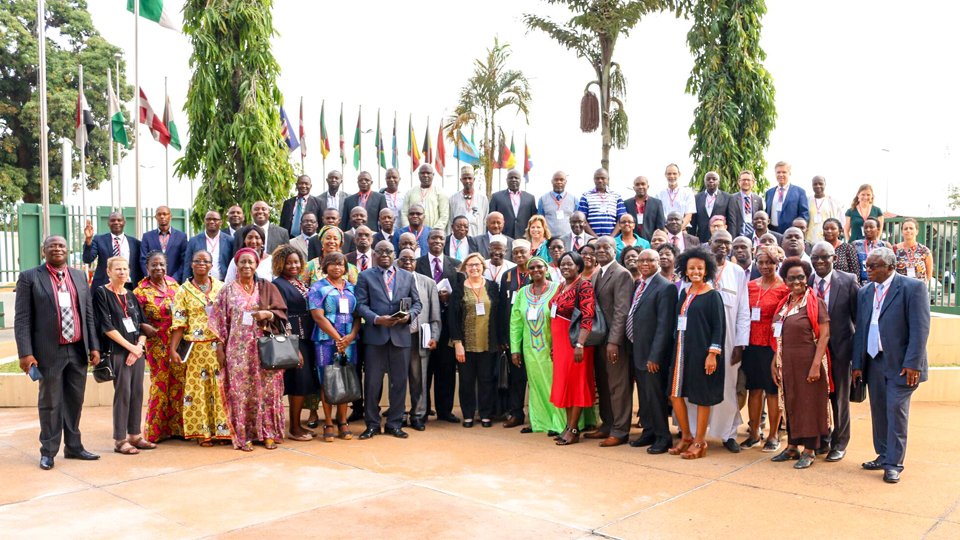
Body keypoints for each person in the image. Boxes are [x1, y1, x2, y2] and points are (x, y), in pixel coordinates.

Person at [15, 236, 101, 469]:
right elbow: (22, 319)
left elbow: (88, 314)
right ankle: (48, 451)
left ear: (68, 250)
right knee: (50, 402)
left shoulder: (80, 276)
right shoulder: (29, 277)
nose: (57, 249)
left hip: (77, 349)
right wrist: (25, 353)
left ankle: (74, 447)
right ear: (44, 251)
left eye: (61, 245)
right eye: (52, 246)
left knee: (75, 400)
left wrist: (93, 345)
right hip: (48, 351)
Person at [852, 247, 930, 483]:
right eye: (867, 266)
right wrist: (857, 364)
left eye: (873, 266)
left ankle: (894, 463)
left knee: (896, 410)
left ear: (890, 267)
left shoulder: (912, 288)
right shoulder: (865, 292)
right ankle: (883, 454)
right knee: (879, 410)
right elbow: (861, 330)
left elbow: (920, 328)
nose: (868, 270)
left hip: (903, 365)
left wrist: (913, 363)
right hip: (874, 361)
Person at [209, 248, 289, 451]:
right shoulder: (227, 290)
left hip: (264, 349)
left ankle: (268, 433)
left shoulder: (266, 287)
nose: (246, 266)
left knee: (267, 391)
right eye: (242, 262)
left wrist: (267, 314)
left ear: (256, 265)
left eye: (250, 262)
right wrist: (220, 348)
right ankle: (244, 436)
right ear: (237, 264)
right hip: (236, 351)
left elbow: (281, 313)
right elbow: (218, 321)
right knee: (240, 393)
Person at [686, 231, 750, 454]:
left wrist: (741, 344)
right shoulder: (697, 270)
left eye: (726, 242)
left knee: (727, 388)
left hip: (729, 340)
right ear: (709, 244)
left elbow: (743, 310)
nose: (722, 246)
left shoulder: (737, 272)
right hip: (699, 338)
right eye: (718, 242)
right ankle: (695, 433)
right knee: (695, 385)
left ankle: (728, 434)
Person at [355, 241, 422, 439]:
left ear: (395, 255)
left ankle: (394, 424)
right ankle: (372, 425)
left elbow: (417, 303)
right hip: (376, 338)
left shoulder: (407, 276)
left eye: (388, 251)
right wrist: (376, 319)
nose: (384, 254)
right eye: (380, 251)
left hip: (400, 337)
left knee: (399, 383)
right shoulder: (365, 276)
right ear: (374, 255)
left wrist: (409, 316)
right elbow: (360, 305)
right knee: (373, 384)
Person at [769, 257, 831, 469]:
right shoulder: (784, 305)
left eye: (801, 277)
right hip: (786, 362)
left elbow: (824, 336)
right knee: (791, 401)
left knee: (808, 404)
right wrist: (774, 362)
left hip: (808, 360)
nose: (796, 282)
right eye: (791, 278)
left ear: (807, 278)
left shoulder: (815, 302)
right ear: (785, 280)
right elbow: (778, 336)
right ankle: (792, 446)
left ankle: (810, 450)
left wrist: (815, 366)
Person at [668, 247, 725, 460]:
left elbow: (719, 327)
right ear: (685, 270)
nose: (695, 272)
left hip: (702, 353)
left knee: (702, 397)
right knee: (675, 394)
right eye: (691, 268)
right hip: (682, 351)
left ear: (706, 270)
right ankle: (687, 436)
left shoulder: (712, 295)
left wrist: (713, 354)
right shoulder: (684, 292)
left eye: (700, 268)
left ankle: (701, 442)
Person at [169, 250, 231, 446]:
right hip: (196, 350)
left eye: (206, 261)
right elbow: (179, 323)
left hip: (218, 347)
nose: (201, 264)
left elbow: (227, 319)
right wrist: (173, 349)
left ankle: (222, 431)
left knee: (220, 388)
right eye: (197, 261)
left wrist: (223, 344)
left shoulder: (221, 288)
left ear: (212, 265)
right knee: (199, 390)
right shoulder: (183, 291)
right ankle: (203, 433)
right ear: (191, 264)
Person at [94, 256, 154, 456]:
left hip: (136, 352)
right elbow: (106, 327)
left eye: (125, 268)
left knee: (137, 392)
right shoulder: (102, 293)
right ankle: (120, 439)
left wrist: (139, 347)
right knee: (123, 393)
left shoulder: (131, 295)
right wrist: (130, 347)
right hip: (117, 351)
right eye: (117, 269)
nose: (122, 272)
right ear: (108, 272)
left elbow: (142, 326)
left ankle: (135, 435)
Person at [809, 241, 860, 461]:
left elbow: (858, 319)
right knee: (817, 397)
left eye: (824, 257)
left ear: (834, 258)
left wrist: (856, 357)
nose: (819, 262)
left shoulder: (848, 281)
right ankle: (823, 438)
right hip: (814, 351)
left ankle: (840, 443)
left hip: (840, 351)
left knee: (839, 398)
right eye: (815, 258)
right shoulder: (807, 281)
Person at [626, 249, 678, 453]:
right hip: (637, 349)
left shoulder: (665, 287)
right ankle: (648, 431)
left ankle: (663, 437)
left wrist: (655, 356)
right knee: (645, 397)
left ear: (659, 262)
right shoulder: (640, 284)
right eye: (641, 260)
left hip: (652, 355)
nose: (644, 264)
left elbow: (665, 326)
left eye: (650, 260)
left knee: (655, 397)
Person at [584, 237, 633, 447]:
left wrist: (614, 341)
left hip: (614, 342)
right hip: (599, 340)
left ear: (615, 250)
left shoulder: (621, 274)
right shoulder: (597, 274)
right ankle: (607, 424)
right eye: (598, 248)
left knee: (618, 386)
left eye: (606, 247)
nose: (601, 250)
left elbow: (621, 311)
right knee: (603, 384)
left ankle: (620, 431)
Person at [740, 246, 789, 451]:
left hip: (772, 345)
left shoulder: (784, 288)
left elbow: (784, 319)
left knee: (772, 390)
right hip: (752, 344)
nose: (765, 266)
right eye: (760, 262)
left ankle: (773, 435)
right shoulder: (750, 285)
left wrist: (779, 350)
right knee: (754, 389)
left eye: (769, 262)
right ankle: (753, 433)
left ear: (777, 263)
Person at [509, 256, 565, 435]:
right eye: (531, 268)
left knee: (553, 383)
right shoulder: (523, 292)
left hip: (552, 348)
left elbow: (564, 318)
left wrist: (559, 345)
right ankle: (539, 421)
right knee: (535, 385)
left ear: (546, 269)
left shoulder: (558, 289)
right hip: (530, 349)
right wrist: (515, 349)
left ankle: (558, 423)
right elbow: (515, 322)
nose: (536, 270)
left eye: (539, 267)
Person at [308, 252, 360, 442]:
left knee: (344, 378)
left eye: (340, 264)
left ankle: (343, 421)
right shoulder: (318, 288)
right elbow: (318, 316)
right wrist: (339, 339)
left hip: (349, 341)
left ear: (345, 268)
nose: (337, 267)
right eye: (332, 264)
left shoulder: (352, 289)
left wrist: (351, 336)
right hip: (325, 341)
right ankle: (328, 422)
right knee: (328, 379)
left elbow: (357, 316)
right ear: (325, 266)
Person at [270, 246, 318, 442]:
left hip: (307, 337)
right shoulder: (278, 284)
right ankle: (294, 428)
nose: (293, 265)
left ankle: (297, 424)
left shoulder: (299, 282)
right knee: (298, 383)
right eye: (289, 262)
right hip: (293, 339)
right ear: (280, 263)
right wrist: (294, 347)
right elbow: (282, 316)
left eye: (296, 262)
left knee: (303, 382)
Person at [549, 251, 598, 446]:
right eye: (562, 264)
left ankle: (575, 428)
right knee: (566, 384)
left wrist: (580, 343)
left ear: (578, 266)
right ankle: (568, 427)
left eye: (570, 264)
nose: (565, 267)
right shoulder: (562, 285)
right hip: (561, 344)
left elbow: (588, 316)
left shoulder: (583, 285)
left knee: (576, 383)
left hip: (576, 344)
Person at [133, 251, 182, 443]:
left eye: (161, 264)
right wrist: (142, 325)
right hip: (157, 344)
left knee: (178, 384)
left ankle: (176, 428)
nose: (158, 268)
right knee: (160, 385)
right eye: (154, 265)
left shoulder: (174, 285)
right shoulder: (140, 291)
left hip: (177, 343)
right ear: (147, 267)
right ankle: (155, 431)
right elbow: (132, 317)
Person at [450, 253, 501, 428]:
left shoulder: (493, 287)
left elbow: (499, 315)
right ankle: (468, 415)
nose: (474, 268)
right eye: (470, 265)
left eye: (477, 264)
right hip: (466, 344)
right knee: (466, 382)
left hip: (488, 343)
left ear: (483, 266)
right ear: (465, 268)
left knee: (486, 380)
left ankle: (486, 414)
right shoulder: (458, 288)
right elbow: (452, 318)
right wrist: (457, 343)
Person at [416, 230, 461, 424]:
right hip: (424, 325)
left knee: (446, 369)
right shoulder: (418, 263)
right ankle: (423, 410)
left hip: (448, 325)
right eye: (433, 238)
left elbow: (459, 295)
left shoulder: (455, 264)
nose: (437, 241)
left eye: (441, 238)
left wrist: (448, 299)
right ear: (427, 241)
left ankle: (445, 410)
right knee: (424, 370)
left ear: (445, 241)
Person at [398, 248, 440, 431]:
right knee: (397, 378)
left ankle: (418, 415)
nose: (408, 262)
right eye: (404, 259)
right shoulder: (392, 281)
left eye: (411, 259)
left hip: (419, 337)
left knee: (418, 378)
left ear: (416, 262)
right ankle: (397, 414)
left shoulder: (428, 283)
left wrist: (435, 336)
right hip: (397, 336)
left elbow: (435, 313)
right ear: (397, 261)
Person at [498, 240, 533, 427]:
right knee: (516, 377)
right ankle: (516, 413)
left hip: (534, 333)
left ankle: (536, 415)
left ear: (530, 252)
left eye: (523, 252)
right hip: (513, 334)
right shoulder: (508, 276)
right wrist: (504, 337)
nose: (519, 256)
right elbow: (503, 307)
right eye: (516, 253)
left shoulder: (537, 271)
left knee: (535, 376)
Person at [83, 211, 142, 289]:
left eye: (119, 220)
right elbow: (87, 259)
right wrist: (88, 241)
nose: (116, 222)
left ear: (124, 222)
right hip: (105, 286)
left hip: (129, 286)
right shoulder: (99, 240)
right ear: (108, 223)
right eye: (113, 220)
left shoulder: (135, 243)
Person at [140, 206, 188, 282]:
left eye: (165, 214)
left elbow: (184, 260)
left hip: (175, 282)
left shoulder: (181, 237)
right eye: (159, 214)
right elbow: (143, 259)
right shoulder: (147, 237)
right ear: (156, 217)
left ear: (170, 216)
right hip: (153, 282)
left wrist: (174, 279)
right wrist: (150, 277)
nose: (162, 216)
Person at [183, 210, 233, 281]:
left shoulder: (230, 240)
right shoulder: (194, 241)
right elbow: (187, 265)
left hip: (223, 283)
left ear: (221, 222)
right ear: (204, 221)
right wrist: (185, 284)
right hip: (199, 284)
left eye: (215, 220)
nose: (211, 222)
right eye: (208, 219)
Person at [489, 169, 538, 239]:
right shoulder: (496, 197)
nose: (513, 179)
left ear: (520, 180)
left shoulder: (530, 198)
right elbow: (491, 218)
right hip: (502, 237)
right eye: (511, 178)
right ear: (506, 180)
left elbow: (533, 219)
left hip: (524, 237)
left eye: (516, 178)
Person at [578, 168, 626, 237]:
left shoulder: (616, 196)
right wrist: (595, 237)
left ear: (608, 179)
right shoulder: (586, 196)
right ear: (594, 179)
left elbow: (621, 219)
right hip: (591, 239)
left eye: (603, 178)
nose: (600, 181)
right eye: (597, 178)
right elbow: (582, 219)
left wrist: (611, 237)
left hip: (613, 239)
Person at [764, 161, 809, 233]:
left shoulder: (799, 192)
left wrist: (799, 231)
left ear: (789, 173)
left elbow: (804, 214)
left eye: (784, 172)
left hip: (791, 233)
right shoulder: (769, 193)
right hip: (772, 232)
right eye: (778, 172)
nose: (781, 175)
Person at [401, 164, 449, 230]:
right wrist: (408, 229)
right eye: (422, 173)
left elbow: (444, 215)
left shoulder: (440, 193)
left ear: (433, 175)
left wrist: (435, 231)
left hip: (433, 234)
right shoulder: (410, 192)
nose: (425, 175)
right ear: (418, 174)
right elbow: (404, 213)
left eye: (428, 173)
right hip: (412, 233)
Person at [692, 171, 736, 242]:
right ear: (704, 181)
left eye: (714, 179)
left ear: (718, 182)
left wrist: (731, 239)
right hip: (702, 238)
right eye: (708, 179)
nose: (711, 181)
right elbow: (693, 222)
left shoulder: (728, 198)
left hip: (721, 238)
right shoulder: (696, 198)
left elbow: (731, 221)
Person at [448, 164, 489, 237]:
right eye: (465, 178)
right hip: (459, 239)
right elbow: (450, 221)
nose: (467, 181)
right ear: (461, 180)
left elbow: (485, 221)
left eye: (470, 178)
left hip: (477, 238)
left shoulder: (483, 198)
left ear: (474, 179)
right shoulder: (453, 199)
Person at [538, 170, 578, 239]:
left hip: (568, 239)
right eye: (556, 180)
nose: (559, 182)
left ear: (565, 182)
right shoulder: (543, 199)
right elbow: (540, 220)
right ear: (552, 181)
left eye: (561, 180)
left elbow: (577, 219)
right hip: (549, 239)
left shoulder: (574, 199)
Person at [624, 176, 665, 241]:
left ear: (648, 186)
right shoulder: (626, 204)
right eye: (637, 184)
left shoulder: (657, 203)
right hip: (631, 242)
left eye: (643, 184)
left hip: (650, 242)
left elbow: (660, 226)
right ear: (634, 188)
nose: (640, 187)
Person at [656, 163, 695, 230]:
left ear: (679, 174)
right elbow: (658, 216)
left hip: (683, 230)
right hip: (665, 231)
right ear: (665, 175)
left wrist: (678, 231)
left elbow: (688, 215)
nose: (672, 176)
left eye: (674, 173)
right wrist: (666, 231)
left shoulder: (687, 192)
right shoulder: (659, 194)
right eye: (669, 174)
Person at [807, 176, 844, 242]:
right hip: (810, 239)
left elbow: (840, 222)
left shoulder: (833, 202)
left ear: (825, 184)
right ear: (812, 185)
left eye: (820, 184)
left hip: (829, 239)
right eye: (815, 184)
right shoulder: (807, 201)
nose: (818, 186)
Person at [852, 217, 888, 284]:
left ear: (878, 229)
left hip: (880, 282)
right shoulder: (856, 244)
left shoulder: (885, 245)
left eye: (871, 227)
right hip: (860, 283)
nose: (868, 230)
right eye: (865, 227)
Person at [730, 170, 765, 238]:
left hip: (754, 235)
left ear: (753, 182)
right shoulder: (731, 198)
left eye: (748, 180)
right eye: (743, 180)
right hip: (738, 235)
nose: (746, 182)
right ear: (739, 182)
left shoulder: (758, 199)